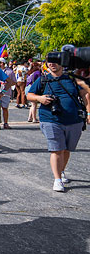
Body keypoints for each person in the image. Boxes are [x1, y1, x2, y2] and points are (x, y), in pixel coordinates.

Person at [26, 57, 89, 192]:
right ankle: (57, 179)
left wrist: (88, 113)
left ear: (62, 63)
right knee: (57, 149)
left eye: (55, 61)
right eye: (49, 62)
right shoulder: (43, 79)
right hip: (50, 119)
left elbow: (85, 95)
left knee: (66, 150)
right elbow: (29, 95)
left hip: (74, 120)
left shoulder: (72, 79)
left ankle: (61, 171)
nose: (52, 64)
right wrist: (40, 98)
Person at [0, 57, 16, 129]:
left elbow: (14, 82)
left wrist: (7, 84)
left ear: (2, 63)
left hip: (5, 93)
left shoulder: (9, 72)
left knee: (5, 108)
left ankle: (5, 123)